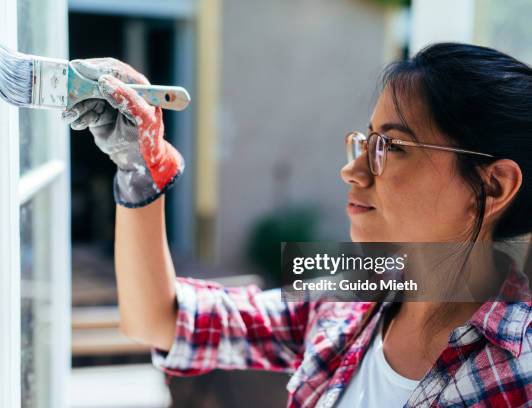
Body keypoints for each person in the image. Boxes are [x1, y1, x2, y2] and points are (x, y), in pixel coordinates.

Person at [62, 43, 532, 407]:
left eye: (393, 148)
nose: (353, 171)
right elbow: (163, 320)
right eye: (365, 143)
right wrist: (140, 171)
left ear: (494, 186)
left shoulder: (520, 368)